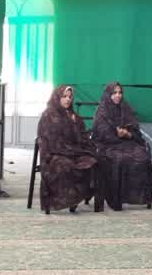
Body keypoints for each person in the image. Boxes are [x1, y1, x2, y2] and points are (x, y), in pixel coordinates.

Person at [37, 85, 109, 214]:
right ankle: (69, 200)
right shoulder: (48, 115)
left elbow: (81, 138)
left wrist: (74, 124)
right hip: (54, 153)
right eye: (64, 96)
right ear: (57, 97)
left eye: (70, 97)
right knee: (65, 166)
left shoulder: (74, 116)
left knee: (95, 162)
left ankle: (85, 199)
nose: (68, 99)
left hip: (74, 152)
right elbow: (49, 140)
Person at [91, 82, 152, 210]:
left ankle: (139, 197)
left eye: (120, 93)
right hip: (107, 145)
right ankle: (117, 199)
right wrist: (116, 134)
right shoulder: (102, 111)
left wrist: (127, 134)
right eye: (114, 93)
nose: (118, 95)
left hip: (127, 143)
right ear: (108, 95)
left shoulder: (125, 108)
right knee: (119, 159)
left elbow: (135, 130)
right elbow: (100, 133)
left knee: (142, 157)